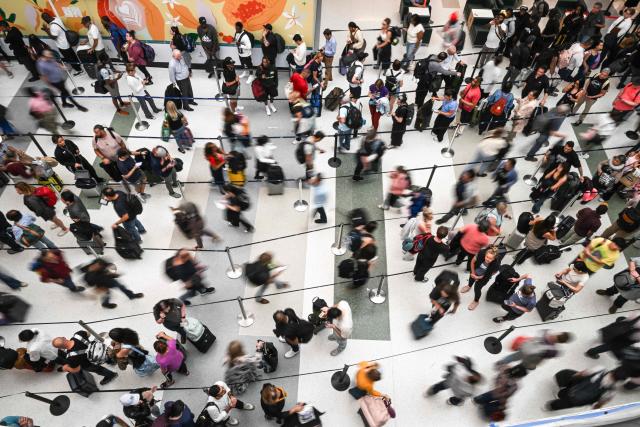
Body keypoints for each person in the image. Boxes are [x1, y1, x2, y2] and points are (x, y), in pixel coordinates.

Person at [52, 330, 118, 385]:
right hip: (99, 349)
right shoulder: (78, 335)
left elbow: (76, 369)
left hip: (89, 364)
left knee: (98, 369)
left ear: (61, 348)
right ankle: (111, 360)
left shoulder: (70, 358)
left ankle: (111, 375)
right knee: (102, 353)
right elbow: (88, 333)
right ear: (64, 338)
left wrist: (65, 368)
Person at [544, 369, 617, 411]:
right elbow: (601, 403)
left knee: (567, 392)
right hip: (580, 400)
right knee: (566, 403)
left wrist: (575, 378)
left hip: (575, 389)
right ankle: (551, 407)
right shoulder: (611, 391)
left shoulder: (600, 370)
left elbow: (581, 374)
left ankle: (557, 398)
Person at [498, 330, 573, 370]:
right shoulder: (553, 351)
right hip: (531, 357)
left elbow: (534, 336)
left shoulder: (546, 332)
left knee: (513, 357)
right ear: (562, 342)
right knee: (523, 366)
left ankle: (501, 363)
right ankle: (512, 371)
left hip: (525, 347)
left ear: (560, 333)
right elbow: (543, 358)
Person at [461, 246, 501, 310]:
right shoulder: (481, 253)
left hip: (484, 276)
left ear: (493, 259)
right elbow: (472, 262)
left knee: (477, 288)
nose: (488, 259)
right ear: (485, 255)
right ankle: (468, 286)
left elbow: (492, 273)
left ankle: (476, 301)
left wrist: (478, 277)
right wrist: (473, 273)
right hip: (475, 271)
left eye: (490, 258)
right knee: (471, 279)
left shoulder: (496, 264)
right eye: (487, 257)